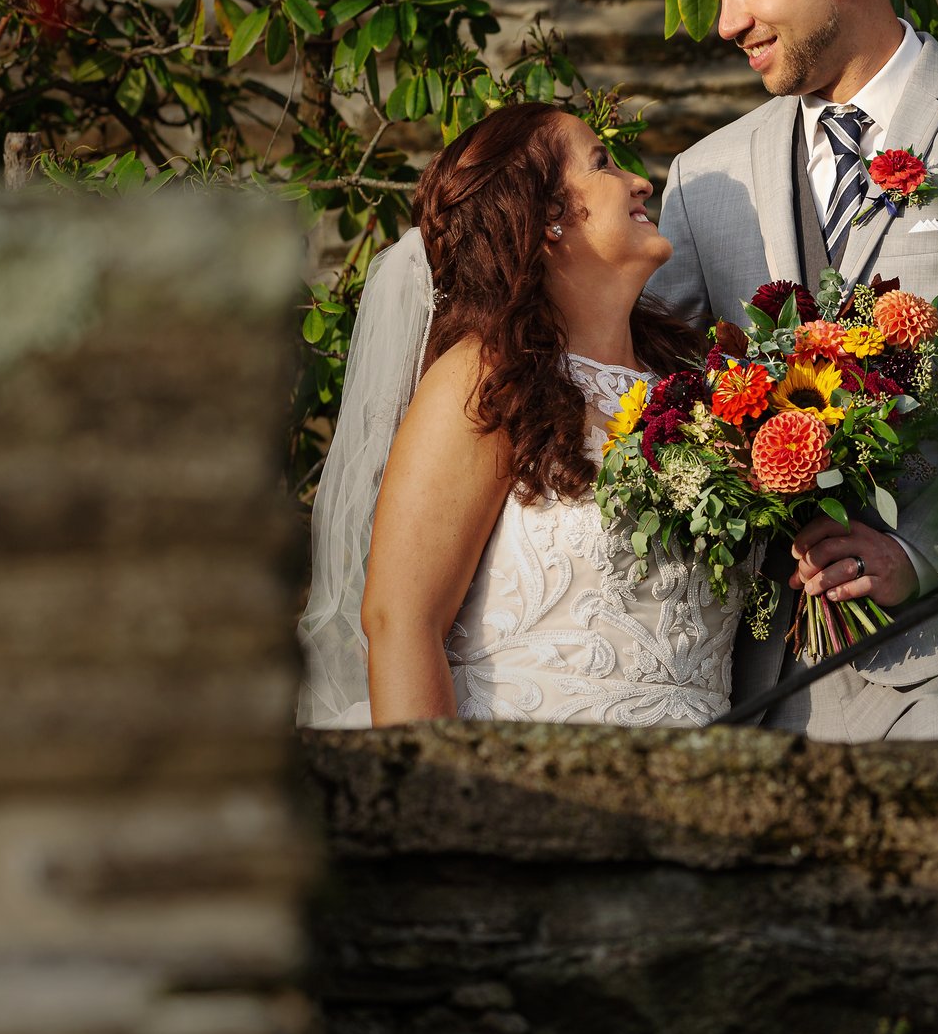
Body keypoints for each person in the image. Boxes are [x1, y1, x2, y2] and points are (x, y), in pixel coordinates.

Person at [647, 0, 938, 742]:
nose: (725, 23)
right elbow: (656, 393)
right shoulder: (704, 178)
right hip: (754, 698)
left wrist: (923, 558)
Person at [294, 101, 738, 727]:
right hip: (527, 780)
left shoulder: (694, 387)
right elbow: (400, 620)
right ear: (544, 217)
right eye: (602, 164)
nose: (640, 181)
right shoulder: (487, 379)